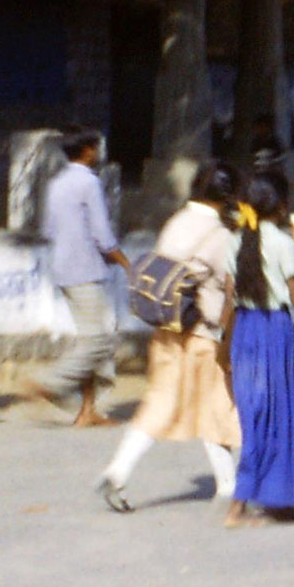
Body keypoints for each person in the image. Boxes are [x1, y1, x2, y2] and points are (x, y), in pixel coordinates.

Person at [97, 161, 244, 513]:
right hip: (202, 331)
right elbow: (231, 286)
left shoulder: (175, 223)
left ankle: (118, 470)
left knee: (160, 402)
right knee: (217, 406)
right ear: (227, 197)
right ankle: (228, 487)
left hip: (166, 329)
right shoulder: (221, 234)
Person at [226, 176, 294, 526]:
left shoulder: (235, 241)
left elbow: (229, 292)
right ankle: (245, 503)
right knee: (279, 413)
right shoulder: (283, 243)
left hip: (244, 328)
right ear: (279, 208)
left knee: (254, 412)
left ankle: (266, 498)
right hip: (274, 329)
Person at [23, 128, 132, 426]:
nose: (97, 154)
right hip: (85, 267)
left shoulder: (56, 183)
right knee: (98, 342)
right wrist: (124, 261)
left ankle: (88, 410)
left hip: (62, 267)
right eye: (95, 149)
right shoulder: (89, 183)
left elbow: (47, 229)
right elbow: (102, 233)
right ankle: (51, 382)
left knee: (90, 338)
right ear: (86, 151)